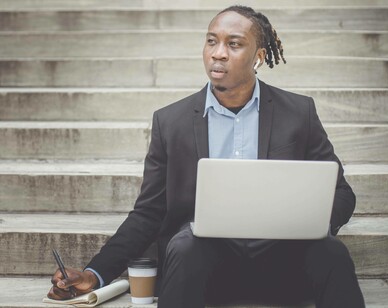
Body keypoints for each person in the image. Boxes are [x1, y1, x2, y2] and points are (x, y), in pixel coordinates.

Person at [48, 5, 365, 308]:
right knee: (186, 242)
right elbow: (149, 212)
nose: (218, 52)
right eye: (212, 41)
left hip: (284, 267)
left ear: (258, 56)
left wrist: (310, 223)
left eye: (234, 44)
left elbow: (342, 193)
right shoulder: (171, 122)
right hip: (203, 270)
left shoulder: (298, 113)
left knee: (331, 252)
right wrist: (95, 273)